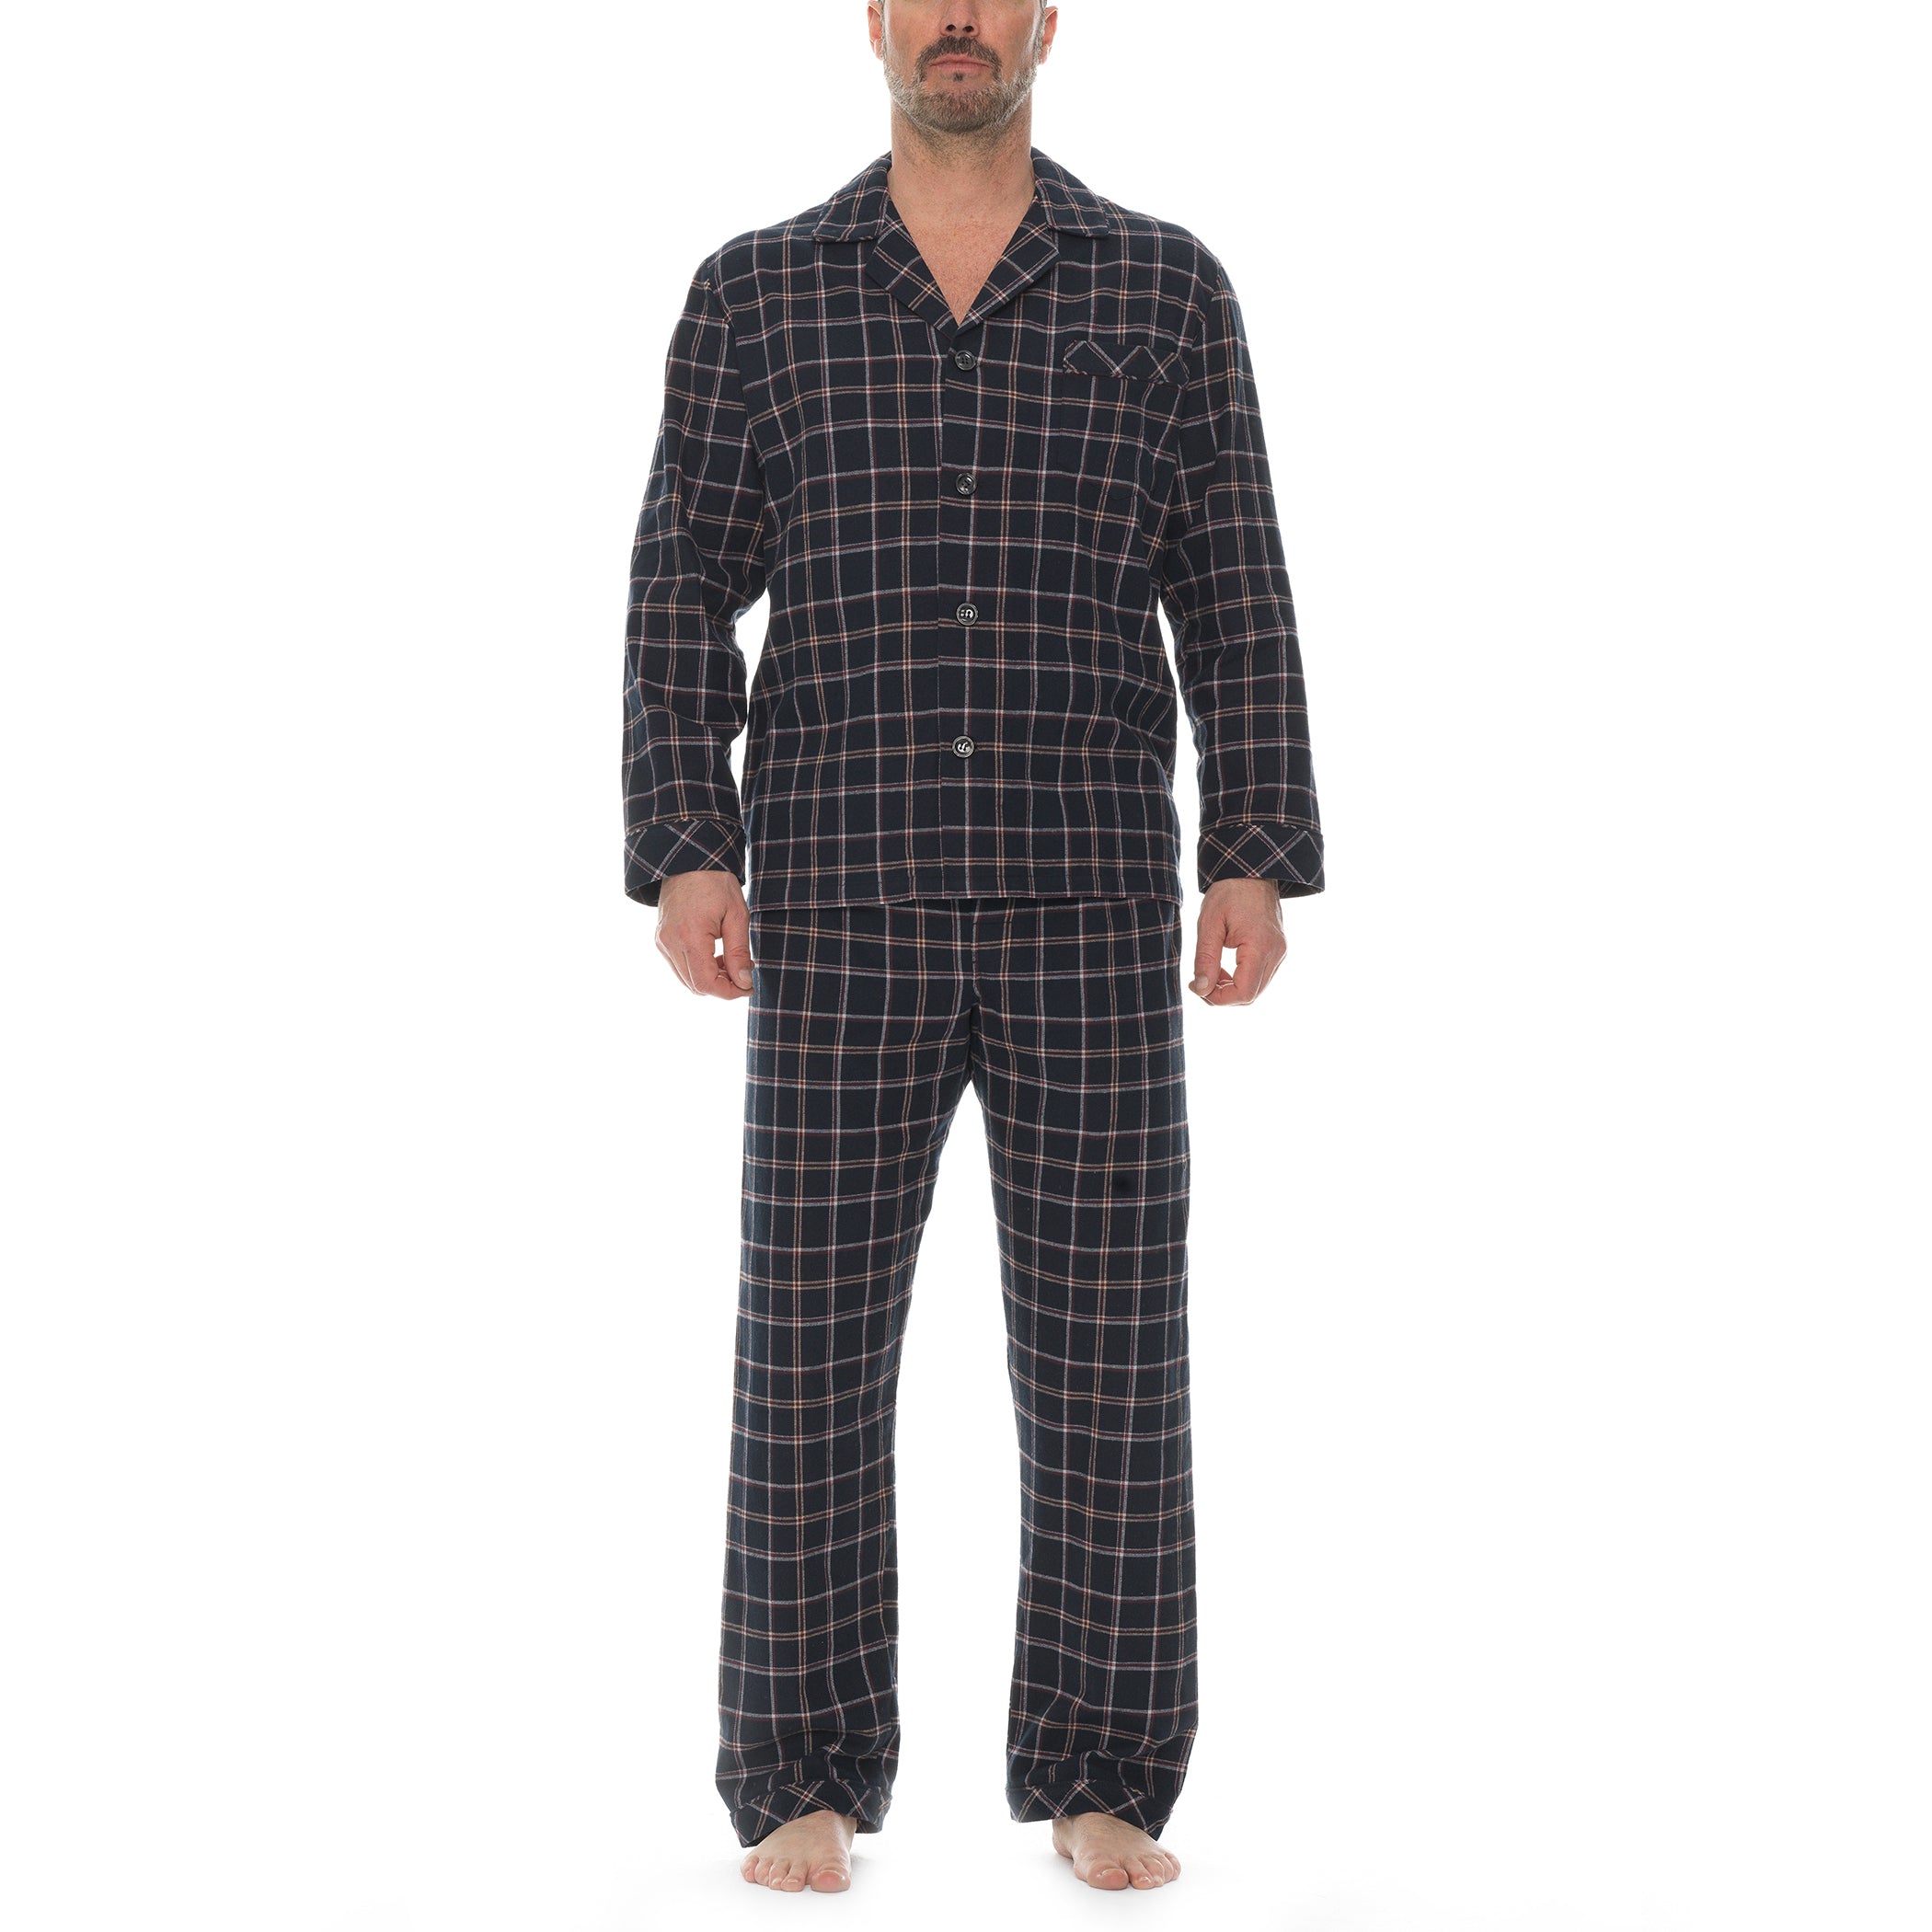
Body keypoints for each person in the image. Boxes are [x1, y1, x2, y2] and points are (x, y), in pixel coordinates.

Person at [621, 0, 1323, 1896]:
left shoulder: (1166, 288)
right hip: (835, 903)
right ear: (872, 20)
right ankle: (803, 1772)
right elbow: (682, 581)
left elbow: (1233, 577)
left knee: (1109, 1358)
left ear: (1044, 24)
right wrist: (689, 844)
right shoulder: (757, 293)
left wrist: (1252, 849)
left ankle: (1103, 1770)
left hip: (1088, 897)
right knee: (809, 1356)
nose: (958, 20)